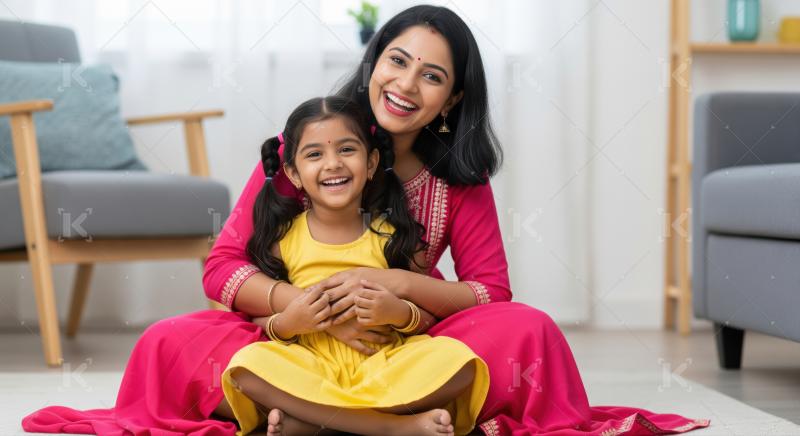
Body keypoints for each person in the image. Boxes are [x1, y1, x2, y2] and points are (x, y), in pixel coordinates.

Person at [22, 5, 709, 435]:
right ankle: (392, 424)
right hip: (295, 337)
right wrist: (296, 308)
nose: (406, 85)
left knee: (528, 330)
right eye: (397, 61)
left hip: (405, 340)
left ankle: (313, 422)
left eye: (432, 77)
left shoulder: (457, 182)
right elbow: (222, 268)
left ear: (451, 99)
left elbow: (489, 295)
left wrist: (403, 296)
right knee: (170, 341)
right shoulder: (315, 146)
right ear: (374, 63)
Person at [221, 95, 489, 436]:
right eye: (315, 154)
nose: (333, 164)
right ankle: (392, 428)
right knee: (246, 368)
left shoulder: (396, 237)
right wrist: (289, 322)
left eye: (347, 150)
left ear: (372, 162)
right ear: (293, 173)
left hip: (384, 363)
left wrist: (398, 313)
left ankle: (317, 424)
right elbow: (259, 319)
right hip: (311, 363)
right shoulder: (281, 239)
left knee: (461, 364)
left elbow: (427, 319)